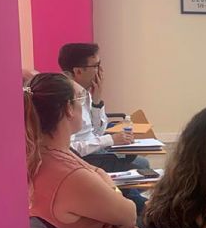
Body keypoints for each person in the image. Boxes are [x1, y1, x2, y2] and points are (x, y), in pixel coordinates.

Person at [24, 73, 138, 228]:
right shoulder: (68, 176)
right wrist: (107, 184)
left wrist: (101, 180)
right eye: (80, 99)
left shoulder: (38, 155)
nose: (83, 106)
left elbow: (96, 176)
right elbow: (128, 214)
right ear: (68, 109)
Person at [58, 43, 149, 172]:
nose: (100, 71)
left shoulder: (84, 92)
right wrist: (109, 139)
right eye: (96, 66)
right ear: (78, 71)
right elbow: (69, 149)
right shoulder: (66, 98)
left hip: (94, 151)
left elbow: (97, 132)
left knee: (142, 163)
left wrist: (96, 100)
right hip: (84, 160)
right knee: (141, 168)